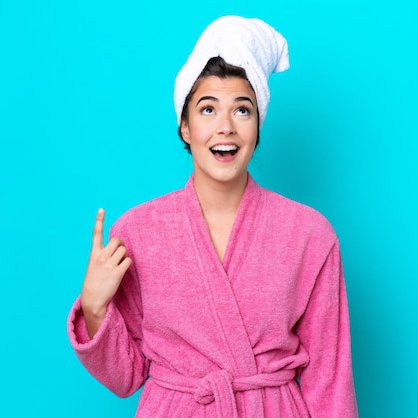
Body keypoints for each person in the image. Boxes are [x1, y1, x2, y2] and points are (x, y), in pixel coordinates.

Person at [67, 15, 358, 417]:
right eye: (207, 109)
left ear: (258, 126)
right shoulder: (137, 232)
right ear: (185, 127)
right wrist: (95, 307)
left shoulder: (310, 234)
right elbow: (125, 378)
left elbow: (330, 381)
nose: (225, 127)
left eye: (242, 110)